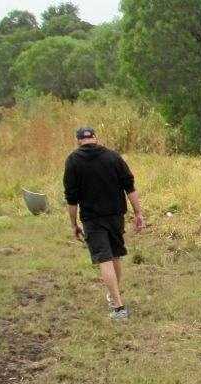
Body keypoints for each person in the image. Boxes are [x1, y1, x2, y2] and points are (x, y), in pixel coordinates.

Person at [64, 126, 145, 320]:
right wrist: (138, 213)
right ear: (95, 138)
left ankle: (118, 307)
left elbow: (71, 198)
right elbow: (129, 186)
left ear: (78, 141)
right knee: (115, 256)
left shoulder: (73, 161)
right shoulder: (113, 157)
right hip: (116, 215)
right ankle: (114, 296)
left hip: (92, 218)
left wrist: (73, 224)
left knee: (104, 259)